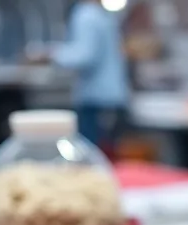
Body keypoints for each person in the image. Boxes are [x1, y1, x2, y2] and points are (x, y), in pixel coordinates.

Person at [52, 0, 130, 154]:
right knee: (109, 156)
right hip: (114, 96)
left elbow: (85, 55)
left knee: (90, 156)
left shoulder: (86, 15)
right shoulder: (104, 15)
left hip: (95, 99)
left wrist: (51, 54)